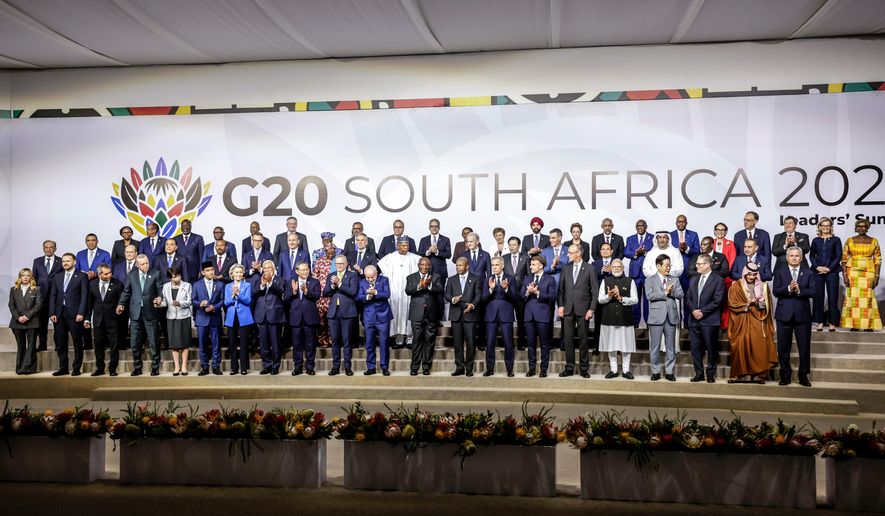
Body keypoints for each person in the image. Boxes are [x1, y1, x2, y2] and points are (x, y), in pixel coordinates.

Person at [774, 247, 818, 386]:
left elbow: (813, 292)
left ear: (802, 258)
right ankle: (785, 375)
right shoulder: (780, 272)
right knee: (783, 348)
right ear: (787, 257)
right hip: (784, 315)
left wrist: (800, 290)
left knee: (804, 348)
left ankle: (803, 375)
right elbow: (776, 291)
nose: (794, 258)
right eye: (791, 255)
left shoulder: (809, 272)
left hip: (802, 316)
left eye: (797, 256)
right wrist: (788, 289)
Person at [728, 262, 777, 384]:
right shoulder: (736, 286)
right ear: (745, 273)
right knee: (740, 344)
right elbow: (732, 303)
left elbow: (768, 305)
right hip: (742, 320)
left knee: (759, 344)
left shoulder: (763, 287)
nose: (751, 277)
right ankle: (737, 374)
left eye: (754, 275)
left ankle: (760, 374)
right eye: (749, 274)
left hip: (758, 319)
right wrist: (746, 305)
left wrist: (757, 303)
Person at [116, 254, 164, 376]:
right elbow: (126, 291)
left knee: (154, 342)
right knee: (135, 343)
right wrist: (121, 304)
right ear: (136, 265)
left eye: (147, 263)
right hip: (135, 313)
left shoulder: (156, 273)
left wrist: (159, 298)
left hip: (151, 312)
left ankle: (155, 367)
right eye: (142, 264)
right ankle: (137, 367)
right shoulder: (131, 275)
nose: (146, 265)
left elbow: (160, 290)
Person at [558, 244, 598, 378]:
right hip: (568, 309)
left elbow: (595, 291)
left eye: (570, 252)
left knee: (583, 340)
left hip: (583, 309)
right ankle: (569, 368)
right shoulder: (565, 268)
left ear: (578, 253)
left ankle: (584, 369)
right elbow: (561, 290)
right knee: (568, 340)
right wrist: (561, 305)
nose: (567, 254)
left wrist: (592, 309)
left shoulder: (590, 268)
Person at [686, 254, 725, 383]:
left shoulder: (718, 280)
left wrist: (702, 312)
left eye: (699, 264)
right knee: (695, 349)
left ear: (707, 265)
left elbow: (717, 301)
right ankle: (699, 373)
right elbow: (688, 298)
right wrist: (693, 311)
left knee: (711, 348)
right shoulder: (693, 279)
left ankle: (710, 374)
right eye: (697, 263)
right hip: (694, 320)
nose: (696, 266)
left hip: (709, 321)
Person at [597, 260, 638, 379]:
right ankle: (613, 370)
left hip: (625, 318)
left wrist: (621, 298)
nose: (616, 268)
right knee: (611, 346)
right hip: (608, 317)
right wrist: (609, 296)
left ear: (623, 267)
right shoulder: (605, 281)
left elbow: (635, 300)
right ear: (610, 268)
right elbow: (600, 299)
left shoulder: (630, 281)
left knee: (626, 346)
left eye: (618, 266)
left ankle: (626, 370)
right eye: (613, 267)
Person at [49, 253, 89, 376]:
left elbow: (84, 296)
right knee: (60, 343)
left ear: (74, 262)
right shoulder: (58, 276)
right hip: (59, 314)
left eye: (68, 261)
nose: (65, 263)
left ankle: (76, 368)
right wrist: (52, 312)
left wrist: (81, 312)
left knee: (77, 342)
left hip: (75, 314)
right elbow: (53, 295)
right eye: (64, 261)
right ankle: (63, 368)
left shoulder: (82, 276)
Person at [377, 237, 420, 348]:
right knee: (397, 314)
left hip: (409, 292)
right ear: (398, 246)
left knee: (409, 313)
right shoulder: (390, 257)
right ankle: (399, 339)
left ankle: (410, 339)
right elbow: (381, 269)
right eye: (403, 245)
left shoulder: (414, 258)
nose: (406, 248)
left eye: (407, 245)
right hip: (395, 291)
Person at [840, 218, 882, 331]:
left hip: (869, 272)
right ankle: (854, 325)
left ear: (867, 227)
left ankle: (868, 325)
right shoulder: (850, 240)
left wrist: (877, 276)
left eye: (864, 226)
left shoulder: (874, 241)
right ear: (856, 227)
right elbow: (843, 260)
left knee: (868, 298)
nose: (861, 228)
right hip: (852, 272)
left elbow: (878, 260)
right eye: (859, 226)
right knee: (853, 299)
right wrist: (844, 275)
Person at [404, 257, 444, 375]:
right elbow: (408, 290)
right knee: (417, 340)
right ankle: (414, 368)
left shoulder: (436, 276)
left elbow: (440, 289)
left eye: (427, 265)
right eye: (422, 264)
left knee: (429, 341)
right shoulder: (411, 277)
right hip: (417, 314)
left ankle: (426, 367)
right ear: (418, 265)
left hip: (431, 314)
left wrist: (429, 285)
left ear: (430, 265)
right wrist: (419, 286)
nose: (425, 267)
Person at [645, 255, 682, 381]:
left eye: (669, 265)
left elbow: (681, 294)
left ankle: (669, 371)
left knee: (670, 346)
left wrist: (671, 292)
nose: (668, 268)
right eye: (666, 265)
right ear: (658, 266)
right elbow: (649, 296)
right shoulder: (649, 280)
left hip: (671, 316)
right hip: (656, 317)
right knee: (654, 346)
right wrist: (664, 293)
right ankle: (655, 371)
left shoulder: (675, 279)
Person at [323, 255, 359, 375]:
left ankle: (348, 367)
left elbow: (353, 292)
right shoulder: (331, 275)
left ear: (346, 264)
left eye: (341, 263)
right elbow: (325, 293)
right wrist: (333, 286)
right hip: (333, 312)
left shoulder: (352, 275)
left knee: (347, 341)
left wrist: (339, 284)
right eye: (337, 263)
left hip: (347, 312)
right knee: (335, 341)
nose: (339, 265)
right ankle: (336, 367)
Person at [482, 256, 518, 377]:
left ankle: (509, 369)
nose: (494, 267)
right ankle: (489, 369)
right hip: (490, 315)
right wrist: (490, 290)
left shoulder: (510, 278)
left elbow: (515, 298)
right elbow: (483, 298)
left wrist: (507, 289)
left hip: (506, 315)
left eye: (496, 265)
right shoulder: (488, 279)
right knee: (490, 343)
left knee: (508, 343)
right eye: (492, 265)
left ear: (502, 266)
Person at [84, 264, 123, 376]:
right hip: (98, 320)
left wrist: (121, 307)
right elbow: (89, 304)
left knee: (114, 346)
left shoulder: (117, 284)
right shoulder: (92, 284)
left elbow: (122, 301)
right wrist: (87, 319)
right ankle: (100, 368)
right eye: (106, 274)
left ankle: (112, 369)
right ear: (99, 274)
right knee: (98, 346)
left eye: (110, 273)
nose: (109, 275)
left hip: (113, 320)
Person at [283, 262, 321, 375]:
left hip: (310, 318)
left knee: (310, 344)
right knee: (297, 344)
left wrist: (306, 291)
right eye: (302, 270)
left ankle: (310, 367)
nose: (305, 272)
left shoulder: (314, 282)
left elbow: (317, 296)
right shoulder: (291, 282)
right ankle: (298, 367)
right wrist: (294, 291)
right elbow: (285, 298)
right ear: (297, 271)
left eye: (307, 270)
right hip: (295, 318)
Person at [445, 257, 481, 376]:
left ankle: (469, 369)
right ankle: (459, 367)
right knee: (457, 343)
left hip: (469, 314)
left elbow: (478, 295)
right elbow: (447, 295)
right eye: (457, 265)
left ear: (467, 266)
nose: (458, 267)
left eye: (461, 265)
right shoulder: (451, 280)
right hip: (456, 315)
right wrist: (453, 299)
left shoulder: (475, 279)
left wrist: (473, 305)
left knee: (471, 343)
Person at [523, 256, 557, 377]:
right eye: (530, 264)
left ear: (541, 265)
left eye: (533, 264)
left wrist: (537, 293)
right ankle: (531, 369)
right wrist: (528, 292)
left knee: (544, 344)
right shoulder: (527, 278)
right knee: (531, 344)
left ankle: (543, 369)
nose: (531, 267)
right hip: (529, 316)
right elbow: (521, 295)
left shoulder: (550, 279)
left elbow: (552, 296)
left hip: (543, 316)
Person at [357, 265, 392, 376]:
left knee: (384, 342)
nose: (370, 279)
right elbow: (358, 297)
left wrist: (375, 293)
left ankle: (384, 367)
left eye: (372, 277)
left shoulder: (384, 279)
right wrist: (367, 297)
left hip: (383, 316)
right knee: (369, 343)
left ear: (377, 273)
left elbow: (387, 294)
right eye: (368, 277)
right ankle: (371, 367)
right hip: (369, 317)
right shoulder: (362, 282)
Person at [312, 232, 344, 347]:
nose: (330, 253)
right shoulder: (320, 261)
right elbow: (314, 277)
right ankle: (322, 339)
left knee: (333, 318)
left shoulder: (338, 262)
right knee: (322, 319)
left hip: (334, 293)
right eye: (328, 252)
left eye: (332, 252)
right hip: (321, 294)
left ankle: (333, 340)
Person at [810, 217, 842, 332]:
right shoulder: (815, 240)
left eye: (828, 225)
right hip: (817, 271)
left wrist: (828, 268)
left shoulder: (836, 240)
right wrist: (817, 267)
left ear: (831, 227)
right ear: (819, 227)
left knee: (833, 297)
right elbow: (811, 256)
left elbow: (838, 256)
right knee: (818, 296)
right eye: (823, 225)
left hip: (832, 272)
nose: (826, 228)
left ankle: (832, 322)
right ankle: (820, 322)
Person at [159, 267, 192, 376]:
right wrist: (158, 303)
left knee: (184, 344)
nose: (177, 278)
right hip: (171, 317)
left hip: (184, 317)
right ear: (170, 278)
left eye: (178, 275)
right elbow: (165, 302)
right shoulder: (165, 287)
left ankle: (184, 366)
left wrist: (180, 303)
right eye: (174, 277)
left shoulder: (187, 285)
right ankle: (177, 366)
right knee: (174, 344)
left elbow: (189, 301)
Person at [192, 261, 224, 376]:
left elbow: (222, 300)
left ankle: (216, 366)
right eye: (208, 270)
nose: (211, 272)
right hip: (201, 318)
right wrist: (200, 304)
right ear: (203, 272)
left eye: (212, 270)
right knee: (202, 344)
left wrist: (214, 307)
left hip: (215, 317)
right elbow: (193, 300)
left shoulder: (220, 284)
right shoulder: (196, 285)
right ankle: (204, 367)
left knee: (216, 344)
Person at [254, 260, 285, 375]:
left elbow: (281, 291)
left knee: (275, 343)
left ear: (273, 269)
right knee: (263, 343)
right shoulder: (258, 280)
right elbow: (254, 294)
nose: (267, 270)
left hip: (275, 316)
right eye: (265, 268)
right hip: (261, 316)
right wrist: (262, 285)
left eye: (269, 268)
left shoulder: (280, 280)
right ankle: (267, 365)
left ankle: (275, 366)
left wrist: (271, 282)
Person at [8, 268, 42, 375]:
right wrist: (18, 317)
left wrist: (27, 316)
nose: (25, 277)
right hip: (17, 322)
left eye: (28, 275)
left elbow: (38, 305)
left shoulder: (36, 289)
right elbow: (11, 305)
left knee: (31, 346)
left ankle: (28, 368)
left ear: (31, 277)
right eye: (23, 275)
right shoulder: (14, 289)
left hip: (32, 321)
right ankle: (19, 368)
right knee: (21, 345)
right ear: (20, 277)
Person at [32, 240, 62, 351]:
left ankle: (58, 345)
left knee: (57, 323)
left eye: (51, 247)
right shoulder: (37, 261)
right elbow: (34, 279)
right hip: (41, 297)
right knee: (42, 322)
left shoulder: (60, 261)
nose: (48, 249)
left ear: (55, 248)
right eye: (46, 247)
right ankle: (42, 345)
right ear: (43, 248)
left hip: (56, 297)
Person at [223, 264, 253, 375]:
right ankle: (234, 368)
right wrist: (232, 295)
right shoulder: (227, 286)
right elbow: (226, 303)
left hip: (244, 317)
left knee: (244, 343)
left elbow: (248, 301)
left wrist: (239, 293)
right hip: (232, 317)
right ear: (232, 274)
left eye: (240, 272)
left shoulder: (247, 285)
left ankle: (244, 368)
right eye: (236, 272)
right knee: (232, 343)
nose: (239, 274)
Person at [624, 219, 653, 326]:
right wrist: (635, 253)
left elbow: (655, 251)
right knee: (634, 299)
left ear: (646, 226)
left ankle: (648, 322)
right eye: (637, 226)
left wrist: (645, 252)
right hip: (635, 273)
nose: (639, 227)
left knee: (647, 299)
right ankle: (635, 323)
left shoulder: (653, 237)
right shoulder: (630, 238)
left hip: (647, 273)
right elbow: (626, 252)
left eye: (642, 225)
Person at [503, 236, 529, 350]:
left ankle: (521, 342)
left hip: (520, 293)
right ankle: (509, 343)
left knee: (521, 319)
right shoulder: (504, 258)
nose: (512, 247)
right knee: (507, 319)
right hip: (507, 293)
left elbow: (528, 275)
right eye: (510, 245)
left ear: (518, 246)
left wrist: (525, 290)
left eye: (514, 245)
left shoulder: (525, 257)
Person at [712, 222, 738, 329]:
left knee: (725, 301)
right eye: (718, 229)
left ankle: (725, 324)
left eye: (722, 230)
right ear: (714, 231)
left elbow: (732, 259)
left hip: (725, 276)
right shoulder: (710, 242)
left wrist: (724, 271)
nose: (720, 232)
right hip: (712, 277)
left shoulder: (730, 244)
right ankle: (714, 323)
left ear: (726, 232)